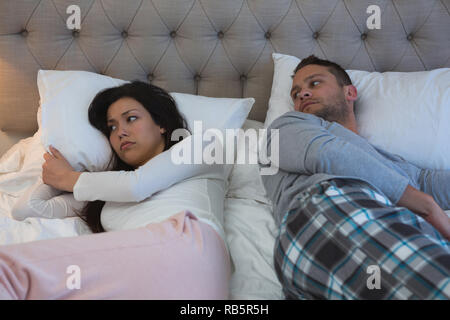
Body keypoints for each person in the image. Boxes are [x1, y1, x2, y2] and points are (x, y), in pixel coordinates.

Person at [0, 81, 230, 299]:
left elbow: (137, 187)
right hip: (144, 275)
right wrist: (59, 172)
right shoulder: (106, 193)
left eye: (131, 118)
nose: (120, 132)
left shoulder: (202, 146)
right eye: (112, 127)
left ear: (162, 124)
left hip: (187, 250)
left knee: (9, 272)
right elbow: (28, 209)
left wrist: (70, 177)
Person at [260, 55, 450, 300]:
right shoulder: (286, 125)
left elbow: (426, 182)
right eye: (295, 94)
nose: (302, 95)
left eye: (314, 84)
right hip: (323, 209)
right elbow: (326, 154)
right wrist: (424, 204)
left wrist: (422, 199)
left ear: (350, 92)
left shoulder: (387, 160)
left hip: (378, 227)